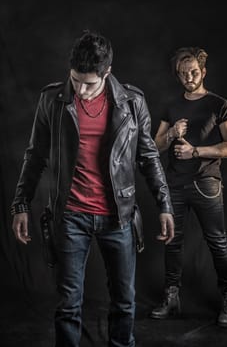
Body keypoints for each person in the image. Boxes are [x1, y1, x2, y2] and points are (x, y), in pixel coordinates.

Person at [11, 30, 174, 347]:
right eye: (75, 80)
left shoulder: (132, 102)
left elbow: (149, 156)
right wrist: (20, 204)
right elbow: (35, 156)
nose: (81, 91)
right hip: (70, 216)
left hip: (119, 217)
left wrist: (164, 205)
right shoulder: (52, 100)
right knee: (69, 305)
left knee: (124, 302)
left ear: (108, 72)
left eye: (90, 83)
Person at [149, 47, 227, 327]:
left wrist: (196, 152)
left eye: (194, 72)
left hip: (206, 185)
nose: (189, 77)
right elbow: (154, 147)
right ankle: (172, 298)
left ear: (203, 72)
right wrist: (173, 133)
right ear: (177, 75)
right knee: (172, 243)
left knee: (217, 242)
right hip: (174, 185)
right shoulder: (171, 107)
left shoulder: (220, 105)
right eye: (183, 73)